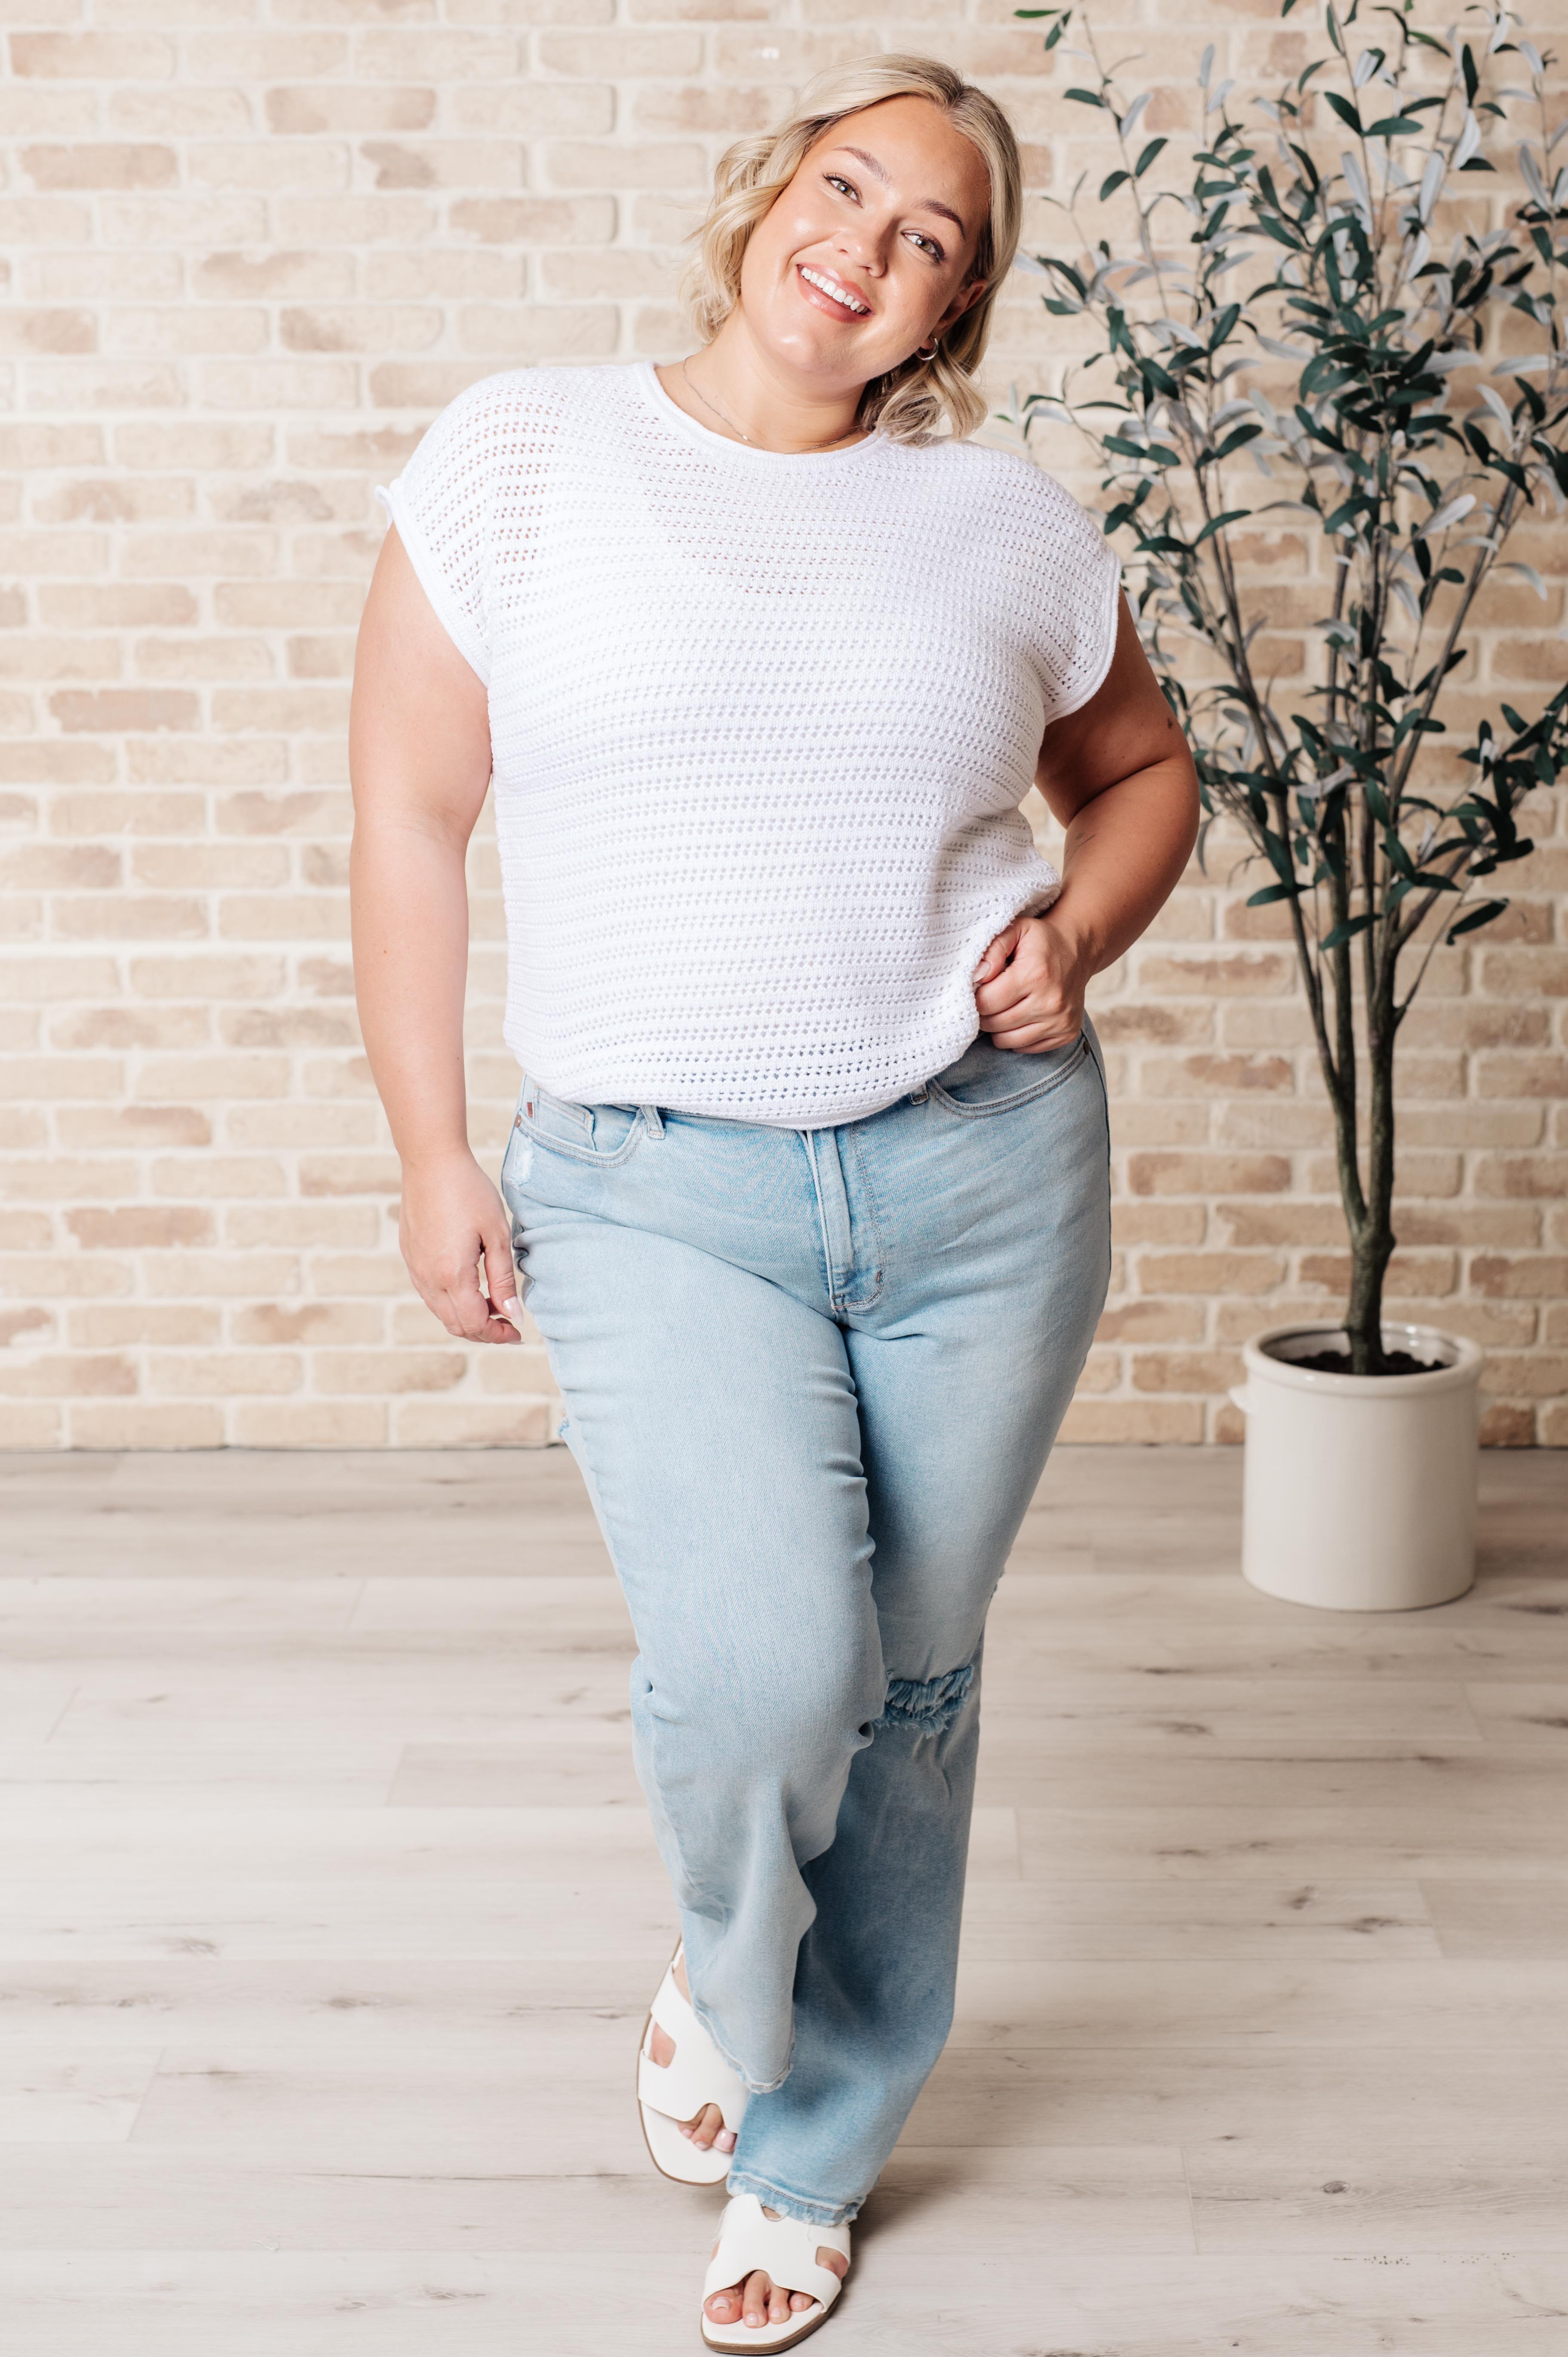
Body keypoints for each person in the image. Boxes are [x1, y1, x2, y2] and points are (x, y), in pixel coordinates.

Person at [349, 53, 1198, 2351]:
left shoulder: (1004, 528)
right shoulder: (523, 462)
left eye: (936, 240)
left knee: (912, 1683)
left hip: (983, 1178)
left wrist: (1082, 931)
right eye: (853, 191)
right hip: (649, 1192)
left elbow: (1137, 775)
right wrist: (437, 1149)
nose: (876, 249)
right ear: (765, 197)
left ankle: (817, 2157)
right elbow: (414, 821)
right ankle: (737, 1994)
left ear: (957, 310)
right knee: (767, 1668)